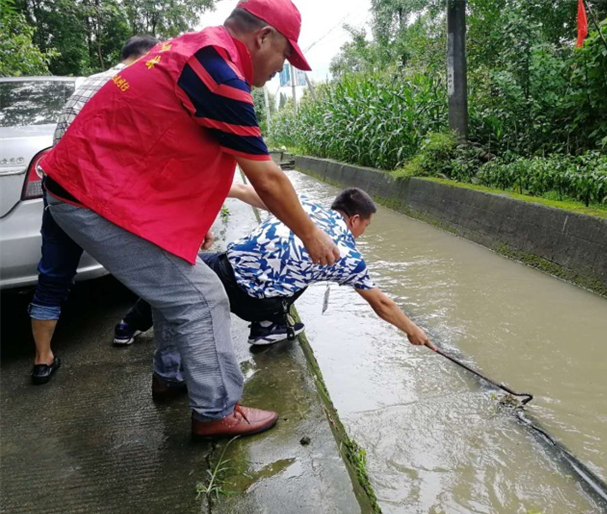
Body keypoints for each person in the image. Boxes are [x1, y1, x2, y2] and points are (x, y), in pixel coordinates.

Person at [37, 0, 339, 441]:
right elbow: (269, 179)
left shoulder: (197, 50)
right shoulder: (217, 72)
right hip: (93, 196)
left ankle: (171, 375)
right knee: (203, 297)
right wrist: (311, 234)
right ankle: (216, 411)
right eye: (286, 55)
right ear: (263, 37)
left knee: (176, 286)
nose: (282, 67)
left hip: (97, 190)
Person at [117, 187, 436, 389]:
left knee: (177, 275)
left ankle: (127, 326)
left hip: (226, 272)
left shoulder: (299, 204)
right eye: (366, 225)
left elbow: (241, 190)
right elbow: (380, 303)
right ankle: (268, 325)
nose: (363, 233)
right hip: (258, 302)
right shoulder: (346, 255)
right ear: (354, 220)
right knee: (305, 275)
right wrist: (412, 330)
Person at [29, 35, 159, 385]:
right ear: (146, 56)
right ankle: (134, 330)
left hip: (56, 190)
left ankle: (42, 360)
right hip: (98, 194)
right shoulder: (137, 84)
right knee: (155, 267)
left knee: (53, 275)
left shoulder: (86, 82)